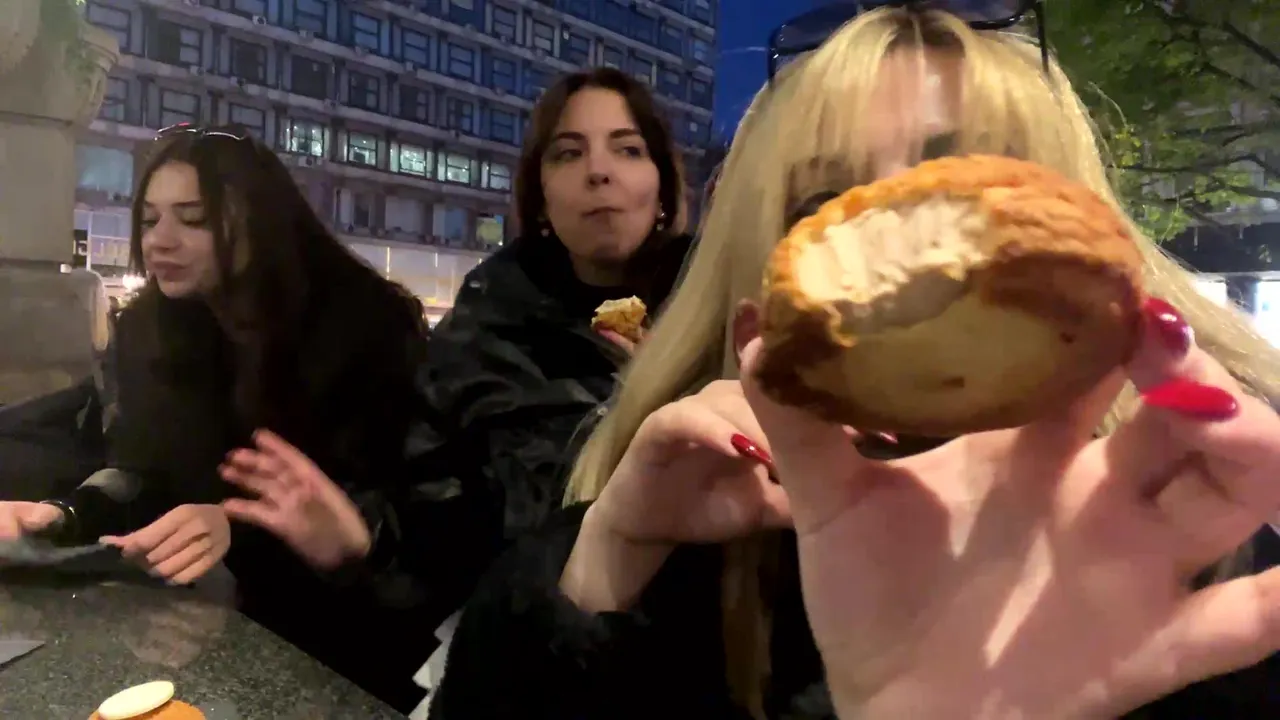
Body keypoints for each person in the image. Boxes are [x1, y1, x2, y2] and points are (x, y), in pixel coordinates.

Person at [427, 6, 1280, 720]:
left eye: (961, 178)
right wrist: (596, 578)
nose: (900, 245)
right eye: (822, 200)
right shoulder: (674, 532)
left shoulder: (1209, 540)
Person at [0, 125, 441, 711]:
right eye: (150, 220)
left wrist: (238, 528)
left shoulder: (363, 327)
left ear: (258, 221)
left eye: (194, 218)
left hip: (342, 643)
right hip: (195, 630)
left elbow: (404, 514)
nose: (160, 240)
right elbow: (141, 472)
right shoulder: (149, 328)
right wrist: (64, 514)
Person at [414, 66, 694, 546]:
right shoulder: (483, 332)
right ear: (541, 198)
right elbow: (429, 524)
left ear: (663, 191)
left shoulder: (719, 310)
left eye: (628, 149)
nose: (598, 171)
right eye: (569, 153)